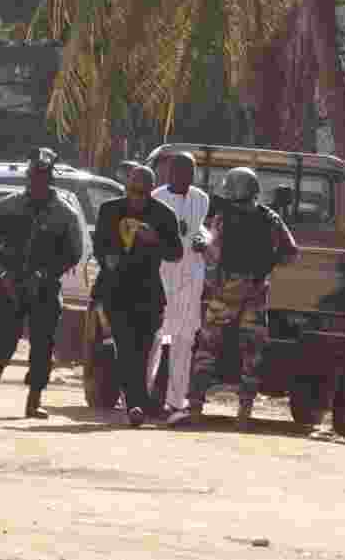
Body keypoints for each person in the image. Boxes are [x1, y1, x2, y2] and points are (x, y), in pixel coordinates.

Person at [168, 167, 298, 429]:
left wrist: (203, 248)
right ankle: (244, 413)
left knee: (206, 351)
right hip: (256, 295)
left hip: (224, 295)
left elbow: (212, 253)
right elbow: (292, 253)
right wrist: (267, 264)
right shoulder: (271, 218)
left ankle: (195, 408)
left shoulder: (222, 218)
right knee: (252, 356)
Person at [0, 147, 85, 418]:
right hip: (10, 283)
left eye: (42, 175)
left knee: (43, 345)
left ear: (50, 178)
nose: (36, 180)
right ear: (27, 177)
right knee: (5, 337)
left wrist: (48, 274)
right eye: (32, 175)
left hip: (45, 288)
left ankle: (34, 399)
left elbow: (74, 252)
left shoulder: (65, 213)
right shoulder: (7, 206)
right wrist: (2, 271)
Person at [92, 165, 183, 426]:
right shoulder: (109, 210)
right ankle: (135, 404)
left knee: (142, 351)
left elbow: (175, 253)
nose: (137, 197)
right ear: (125, 187)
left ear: (151, 192)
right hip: (115, 289)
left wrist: (155, 239)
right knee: (125, 347)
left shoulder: (163, 215)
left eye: (143, 192)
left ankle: (136, 401)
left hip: (148, 292)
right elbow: (99, 244)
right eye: (132, 191)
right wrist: (107, 258)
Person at [147, 152, 210, 418]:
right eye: (180, 171)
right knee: (154, 337)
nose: (186, 176)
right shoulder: (156, 198)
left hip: (191, 277)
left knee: (184, 340)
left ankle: (176, 400)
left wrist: (203, 238)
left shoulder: (201, 198)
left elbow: (202, 228)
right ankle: (142, 395)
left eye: (190, 171)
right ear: (170, 173)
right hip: (162, 276)